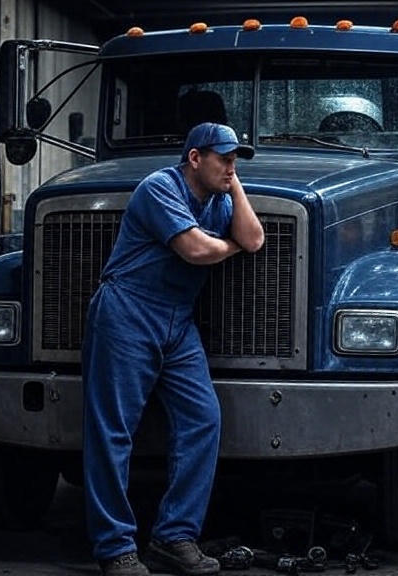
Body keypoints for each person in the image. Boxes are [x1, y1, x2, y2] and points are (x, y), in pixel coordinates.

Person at [82, 122, 264, 576]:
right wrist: (227, 246)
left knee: (203, 418)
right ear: (194, 158)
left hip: (176, 320)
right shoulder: (159, 187)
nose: (231, 166)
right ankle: (115, 547)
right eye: (223, 158)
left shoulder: (221, 199)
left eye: (235, 159)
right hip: (128, 310)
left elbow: (255, 238)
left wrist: (232, 181)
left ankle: (174, 536)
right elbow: (196, 250)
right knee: (113, 432)